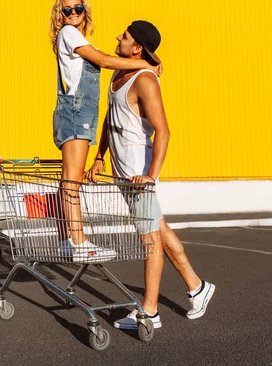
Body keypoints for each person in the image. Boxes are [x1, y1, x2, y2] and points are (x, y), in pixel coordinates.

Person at [85, 20, 215, 329]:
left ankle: (150, 311)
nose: (119, 36)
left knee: (149, 241)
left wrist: (150, 176)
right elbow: (110, 118)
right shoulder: (120, 73)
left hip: (137, 175)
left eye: (125, 36)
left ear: (137, 47)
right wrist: (99, 156)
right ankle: (197, 287)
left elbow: (164, 132)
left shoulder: (145, 80)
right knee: (160, 231)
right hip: (123, 173)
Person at [50, 0, 161, 263]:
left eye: (78, 8)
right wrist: (144, 66)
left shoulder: (77, 38)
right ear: (60, 14)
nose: (73, 13)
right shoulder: (69, 33)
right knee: (72, 181)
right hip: (76, 112)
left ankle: (67, 240)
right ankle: (79, 242)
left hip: (77, 113)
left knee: (69, 180)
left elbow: (99, 58)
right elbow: (102, 60)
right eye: (67, 10)